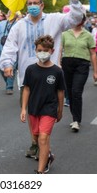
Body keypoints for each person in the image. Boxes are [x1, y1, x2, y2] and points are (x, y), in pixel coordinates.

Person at [0, 0, 84, 158]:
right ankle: (35, 142)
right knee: (32, 112)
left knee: (47, 112)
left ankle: (44, 147)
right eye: (29, 3)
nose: (32, 6)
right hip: (27, 76)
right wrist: (7, 63)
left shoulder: (55, 19)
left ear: (42, 5)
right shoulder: (19, 25)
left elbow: (75, 18)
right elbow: (10, 46)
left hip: (50, 76)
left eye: (35, 3)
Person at [20, 35, 64, 174]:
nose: (42, 53)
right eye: (39, 50)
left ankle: (41, 170)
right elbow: (26, 89)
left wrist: (60, 110)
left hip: (49, 108)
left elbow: (60, 92)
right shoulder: (31, 69)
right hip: (34, 108)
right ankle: (48, 155)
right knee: (37, 137)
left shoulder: (57, 71)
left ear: (52, 51)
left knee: (44, 137)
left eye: (45, 50)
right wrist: (23, 108)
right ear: (35, 50)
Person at [60, 15, 97, 132]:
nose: (76, 21)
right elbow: (60, 49)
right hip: (67, 64)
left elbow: (93, 54)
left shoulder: (88, 35)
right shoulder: (65, 34)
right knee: (69, 92)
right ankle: (74, 117)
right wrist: (57, 63)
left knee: (76, 91)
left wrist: (96, 72)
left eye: (79, 19)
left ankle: (77, 120)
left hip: (82, 65)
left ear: (83, 21)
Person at [0, 10, 19, 95]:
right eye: (9, 13)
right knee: (1, 67)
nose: (10, 14)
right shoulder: (2, 23)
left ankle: (9, 86)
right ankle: (8, 82)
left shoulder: (18, 24)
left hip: (13, 51)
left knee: (12, 67)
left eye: (12, 13)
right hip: (1, 49)